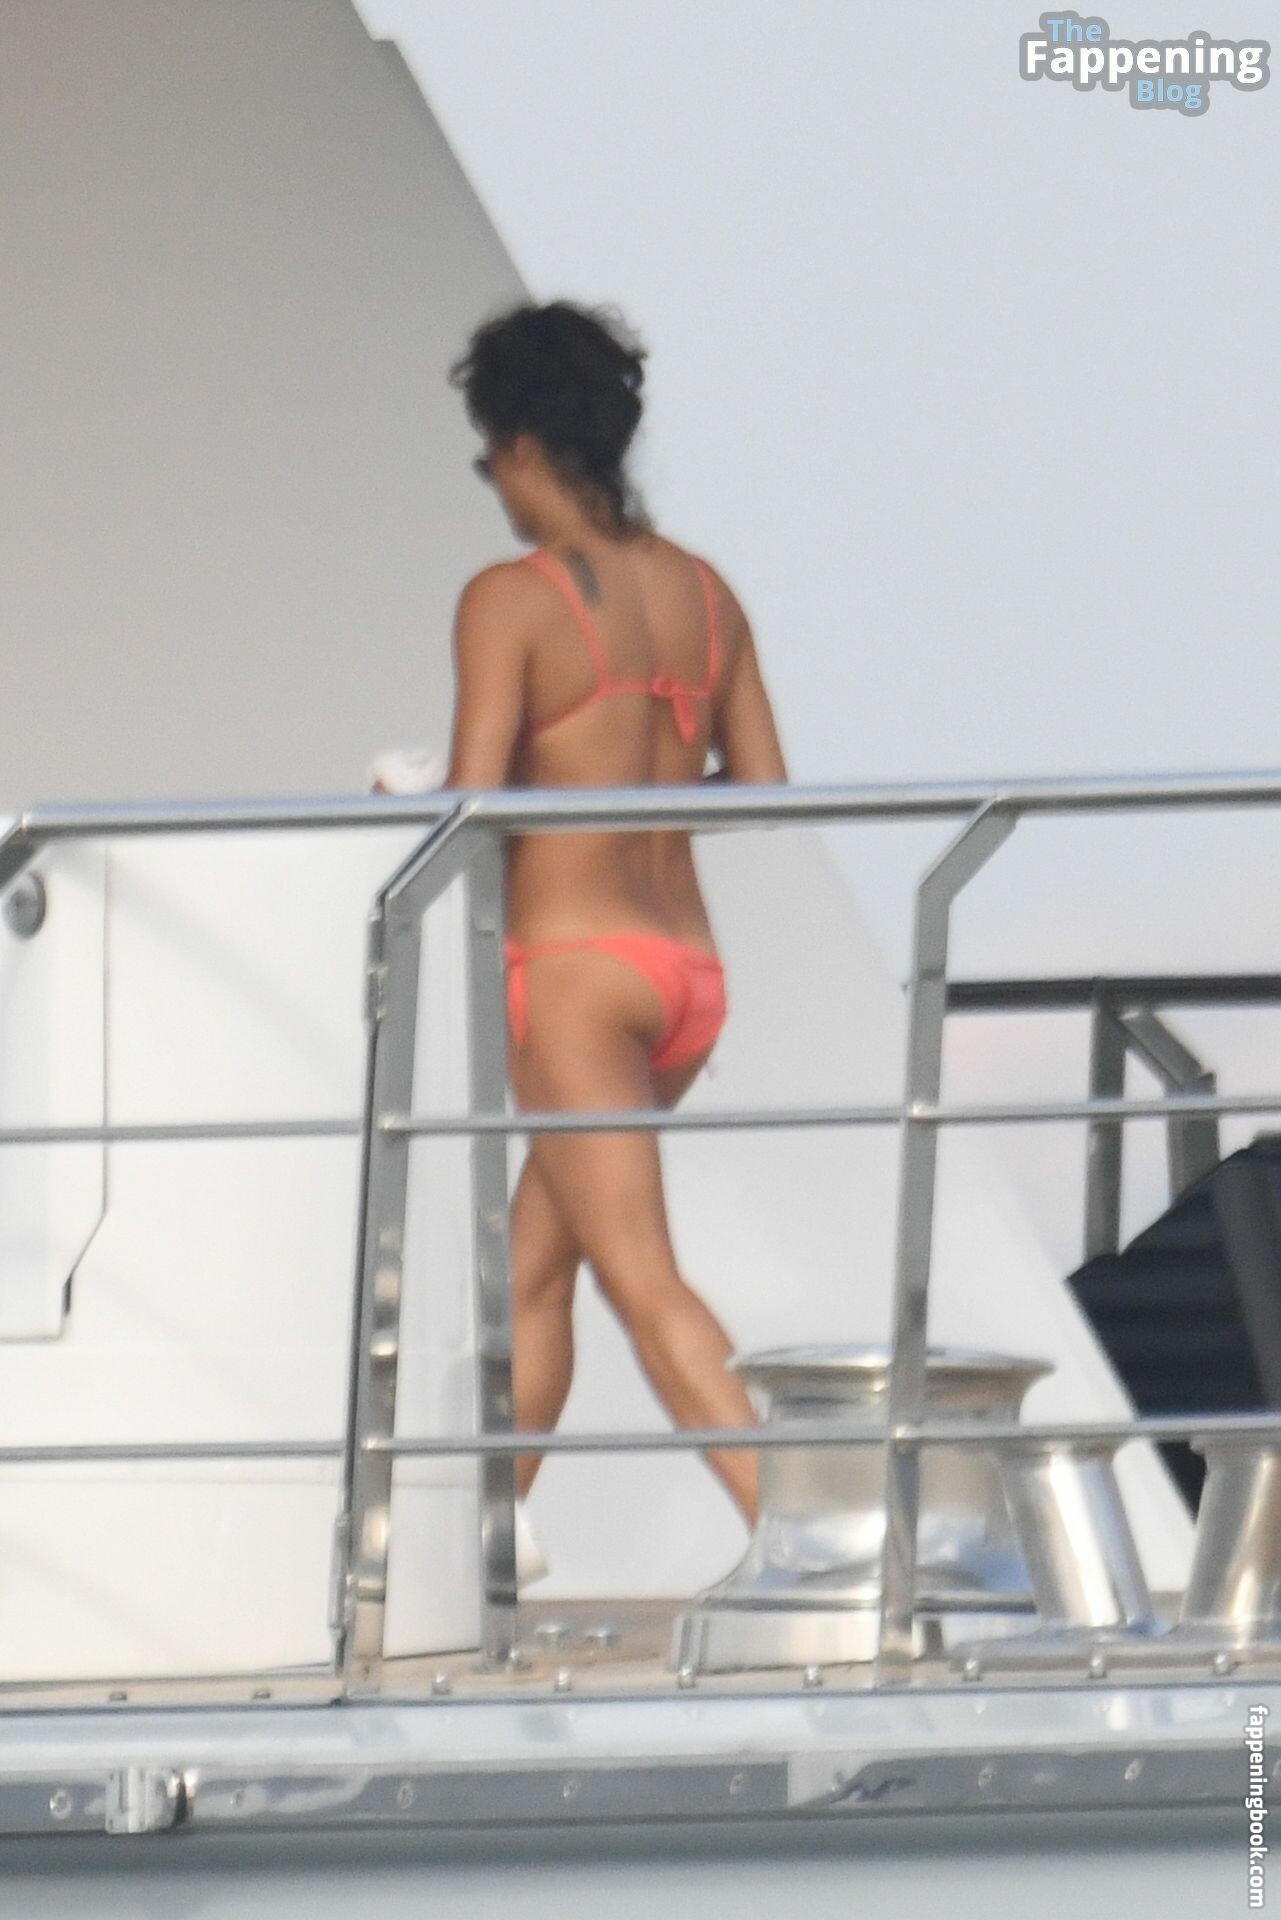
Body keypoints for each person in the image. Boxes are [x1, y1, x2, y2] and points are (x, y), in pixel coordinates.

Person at [440, 299, 789, 1565]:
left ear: (527, 446)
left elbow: (472, 804)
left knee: (644, 1284)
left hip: (572, 973)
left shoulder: (510, 601)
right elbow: (763, 791)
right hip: (683, 976)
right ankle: (474, 1548)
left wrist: (403, 797)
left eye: (488, 457)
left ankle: (816, 1547)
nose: (493, 484)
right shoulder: (705, 592)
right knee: (539, 1269)